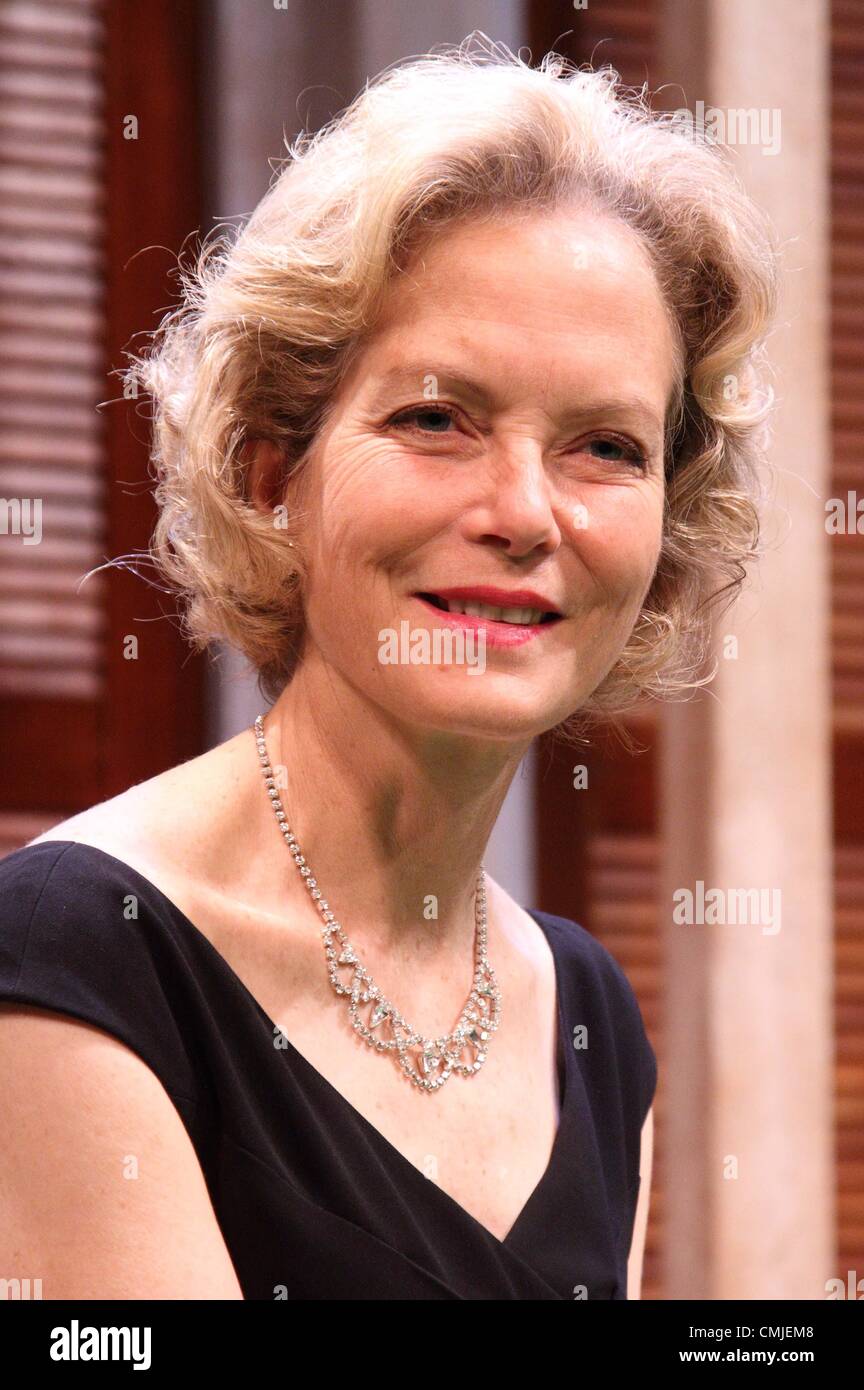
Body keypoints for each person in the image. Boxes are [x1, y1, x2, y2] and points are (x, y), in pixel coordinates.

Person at [0, 35, 778, 1300]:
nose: (527, 512)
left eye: (605, 446)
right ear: (271, 474)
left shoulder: (588, 1017)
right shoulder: (71, 959)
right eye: (436, 418)